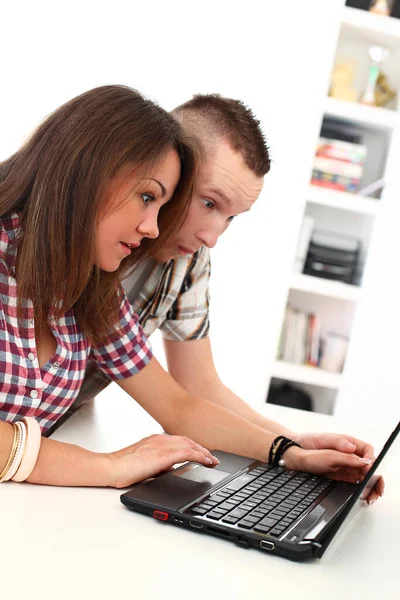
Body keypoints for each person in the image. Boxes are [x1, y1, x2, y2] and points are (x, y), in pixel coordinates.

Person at [68, 92, 383, 501]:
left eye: (231, 216)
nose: (213, 237)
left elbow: (194, 391)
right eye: (210, 203)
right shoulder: (74, 243)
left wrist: (297, 446)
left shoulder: (186, 262)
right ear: (169, 168)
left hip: (59, 430)